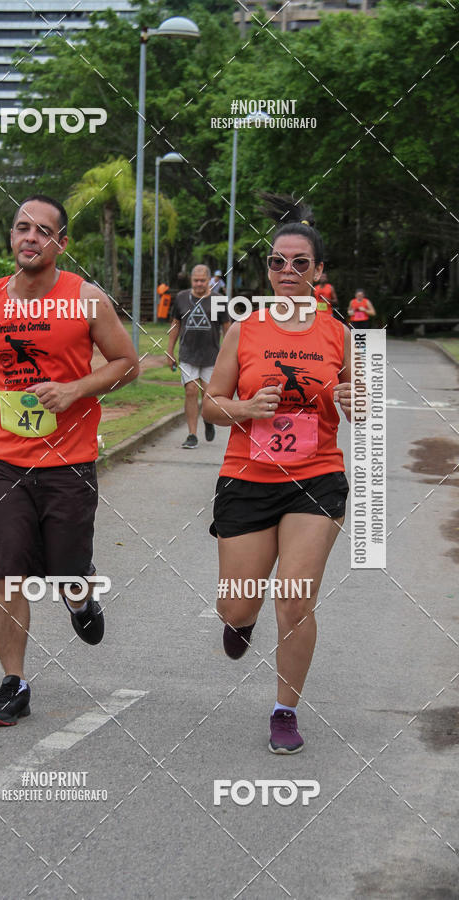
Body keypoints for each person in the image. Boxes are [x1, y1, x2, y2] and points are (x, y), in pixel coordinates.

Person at [0, 195, 139, 725]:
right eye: (21, 228)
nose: (30, 238)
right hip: (7, 462)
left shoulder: (86, 299)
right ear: (11, 238)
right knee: (4, 574)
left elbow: (127, 363)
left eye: (43, 231)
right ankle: (14, 683)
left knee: (64, 572)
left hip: (70, 463)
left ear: (61, 243)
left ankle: (79, 594)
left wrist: (75, 389)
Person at [202, 194, 352, 754]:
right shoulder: (246, 329)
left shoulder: (337, 334)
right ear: (266, 269)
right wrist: (244, 409)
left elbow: (358, 396)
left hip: (316, 476)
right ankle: (240, 621)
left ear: (319, 272)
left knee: (294, 596)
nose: (287, 272)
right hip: (247, 475)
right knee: (238, 603)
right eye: (276, 262)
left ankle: (285, 709)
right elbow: (209, 401)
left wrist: (349, 398)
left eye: (300, 263)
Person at [166, 264, 230, 448]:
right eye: (196, 280)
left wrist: (229, 354)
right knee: (191, 391)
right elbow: (175, 324)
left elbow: (227, 327)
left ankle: (208, 420)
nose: (199, 284)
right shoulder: (181, 298)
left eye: (203, 280)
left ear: (209, 280)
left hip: (211, 355)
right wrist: (169, 351)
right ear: (191, 280)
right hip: (188, 353)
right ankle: (192, 434)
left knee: (208, 395)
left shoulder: (218, 300)